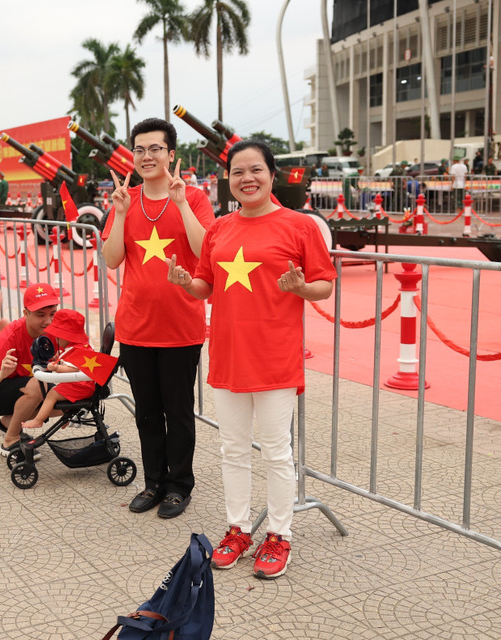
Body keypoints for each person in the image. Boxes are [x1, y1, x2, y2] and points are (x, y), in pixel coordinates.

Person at [167, 139, 336, 580]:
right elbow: (206, 285)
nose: (247, 178)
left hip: (275, 356)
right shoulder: (220, 229)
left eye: (256, 170)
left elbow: (324, 284)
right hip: (227, 353)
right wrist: (186, 283)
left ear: (272, 173)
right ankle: (238, 528)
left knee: (278, 452)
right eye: (238, 172)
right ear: (228, 179)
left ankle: (279, 535)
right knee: (233, 449)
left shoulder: (299, 226)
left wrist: (300, 288)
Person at [102, 117, 215, 520]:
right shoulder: (123, 199)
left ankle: (179, 485)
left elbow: (207, 252)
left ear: (171, 154)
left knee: (178, 411)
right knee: (146, 411)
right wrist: (118, 214)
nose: (147, 156)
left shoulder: (194, 196)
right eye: (140, 149)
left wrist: (182, 203)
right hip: (135, 326)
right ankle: (153, 481)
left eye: (155, 149)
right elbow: (112, 259)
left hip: (181, 327)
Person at [0, 283, 59, 457]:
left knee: (67, 399)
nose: (48, 321)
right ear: (25, 314)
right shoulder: (10, 336)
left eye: (52, 314)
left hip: (26, 386)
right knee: (38, 387)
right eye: (40, 315)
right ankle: (10, 440)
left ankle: (8, 424)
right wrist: (2, 373)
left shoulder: (53, 331)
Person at [21, 309, 95, 431]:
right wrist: (59, 360)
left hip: (81, 385)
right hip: (86, 384)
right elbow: (76, 364)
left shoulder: (74, 350)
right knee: (60, 389)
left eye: (58, 337)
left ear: (67, 336)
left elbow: (73, 369)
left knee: (52, 394)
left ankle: (38, 420)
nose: (56, 340)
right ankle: (69, 415)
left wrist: (57, 368)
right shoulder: (82, 346)